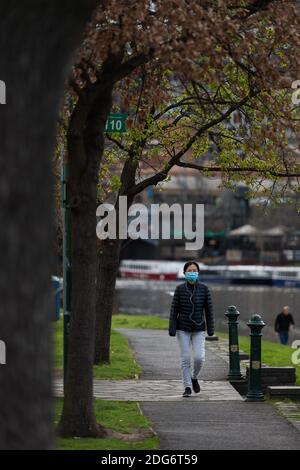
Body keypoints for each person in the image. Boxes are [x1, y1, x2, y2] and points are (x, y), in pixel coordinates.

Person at [169, 261, 214, 397]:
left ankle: (194, 377)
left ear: (198, 273)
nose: (192, 273)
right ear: (185, 273)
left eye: (195, 270)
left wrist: (211, 328)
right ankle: (187, 387)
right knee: (186, 358)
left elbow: (209, 310)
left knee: (199, 357)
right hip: (183, 328)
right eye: (190, 270)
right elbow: (174, 310)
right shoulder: (179, 289)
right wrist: (172, 328)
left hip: (199, 328)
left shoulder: (204, 289)